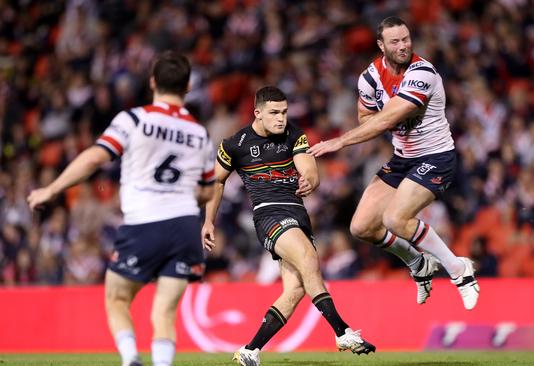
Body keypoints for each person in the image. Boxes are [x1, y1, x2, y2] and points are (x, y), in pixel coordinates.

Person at [27, 51, 216, 366]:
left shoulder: (133, 120)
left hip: (145, 222)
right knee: (164, 313)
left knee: (117, 298)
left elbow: (94, 158)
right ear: (187, 86)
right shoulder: (200, 134)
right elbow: (208, 190)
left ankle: (131, 360)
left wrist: (51, 189)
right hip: (185, 227)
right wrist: (180, 196)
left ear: (153, 82)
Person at [309, 16, 479, 310]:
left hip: (436, 157)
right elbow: (366, 117)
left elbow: (386, 118)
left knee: (395, 219)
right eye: (395, 41)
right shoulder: (370, 77)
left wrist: (340, 141)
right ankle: (418, 263)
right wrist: (381, 119)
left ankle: (459, 270)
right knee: (361, 227)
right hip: (403, 160)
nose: (403, 46)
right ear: (381, 45)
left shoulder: (422, 72)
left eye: (406, 39)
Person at [202, 86, 375, 366]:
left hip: (299, 216)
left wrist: (310, 180)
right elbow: (217, 181)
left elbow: (309, 169)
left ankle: (249, 351)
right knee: (309, 258)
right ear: (257, 113)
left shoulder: (294, 134)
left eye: (283, 111)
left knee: (294, 290)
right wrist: (209, 220)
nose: (281, 118)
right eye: (274, 113)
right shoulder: (235, 144)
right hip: (268, 215)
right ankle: (342, 332)